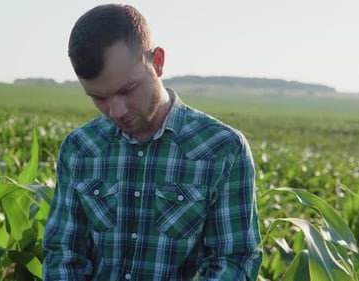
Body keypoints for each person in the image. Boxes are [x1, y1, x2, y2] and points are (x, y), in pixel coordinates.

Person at [43, 4, 263, 280]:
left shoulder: (222, 149)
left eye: (127, 89)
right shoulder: (80, 149)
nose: (117, 111)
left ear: (157, 62)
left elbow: (234, 259)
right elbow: (64, 252)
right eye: (98, 98)